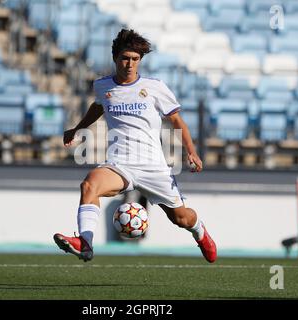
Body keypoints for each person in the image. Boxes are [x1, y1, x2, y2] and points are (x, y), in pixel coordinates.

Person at [54, 29, 217, 263]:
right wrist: (77, 128)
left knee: (181, 218)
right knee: (89, 184)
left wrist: (191, 152)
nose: (130, 64)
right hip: (120, 164)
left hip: (153, 167)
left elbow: (177, 120)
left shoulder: (155, 87)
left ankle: (200, 231)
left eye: (135, 59)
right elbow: (99, 106)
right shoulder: (102, 86)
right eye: (125, 58)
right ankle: (85, 243)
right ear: (115, 58)